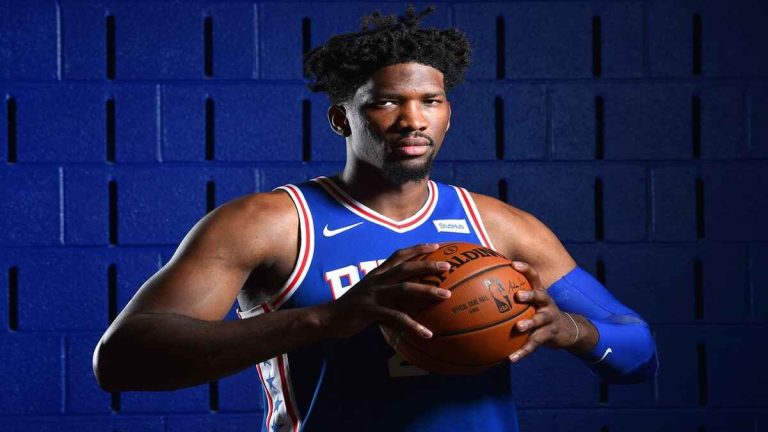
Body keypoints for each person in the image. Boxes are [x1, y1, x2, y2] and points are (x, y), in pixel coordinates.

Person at [93, 6, 658, 431]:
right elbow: (122, 361)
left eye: (431, 101)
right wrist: (325, 321)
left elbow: (638, 355)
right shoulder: (270, 224)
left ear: (447, 113)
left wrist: (572, 331)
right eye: (386, 102)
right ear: (343, 118)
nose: (413, 120)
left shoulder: (501, 227)